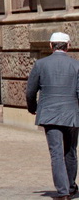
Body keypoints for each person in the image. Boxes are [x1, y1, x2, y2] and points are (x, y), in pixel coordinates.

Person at [27, 31, 79, 199]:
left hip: (49, 114)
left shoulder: (40, 64)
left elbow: (30, 90)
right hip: (71, 114)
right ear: (68, 46)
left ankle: (63, 192)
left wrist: (32, 107)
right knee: (70, 151)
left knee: (56, 153)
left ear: (51, 46)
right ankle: (71, 187)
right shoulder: (76, 65)